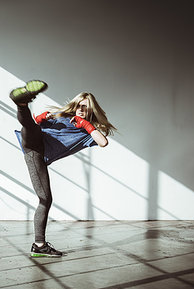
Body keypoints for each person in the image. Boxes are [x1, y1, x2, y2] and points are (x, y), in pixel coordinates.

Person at [10, 80, 116, 257]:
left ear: (91, 110)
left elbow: (103, 142)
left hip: (38, 157)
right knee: (31, 127)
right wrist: (42, 118)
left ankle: (39, 246)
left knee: (45, 199)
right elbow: (35, 125)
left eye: (85, 107)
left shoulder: (86, 133)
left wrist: (87, 126)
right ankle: (21, 103)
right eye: (79, 106)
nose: (81, 110)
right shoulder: (63, 117)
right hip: (34, 144)